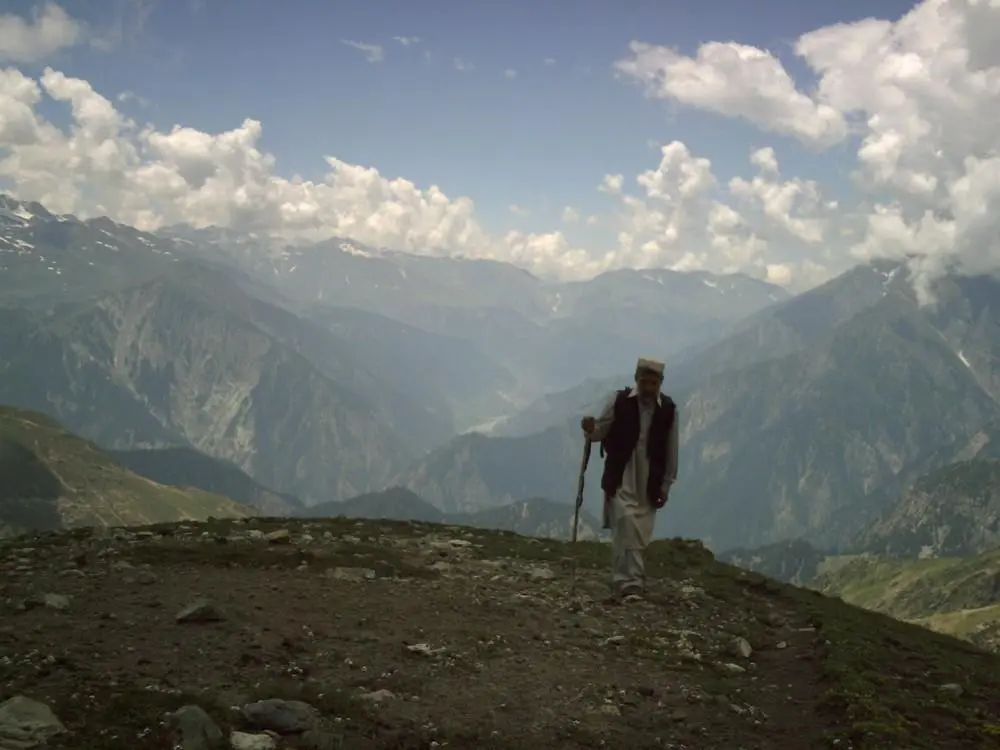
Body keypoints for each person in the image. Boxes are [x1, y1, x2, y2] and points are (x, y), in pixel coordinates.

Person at [580, 357, 678, 603]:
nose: (648, 387)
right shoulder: (618, 401)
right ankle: (631, 584)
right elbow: (600, 431)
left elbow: (672, 450)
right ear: (636, 379)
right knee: (625, 522)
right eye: (644, 381)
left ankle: (623, 579)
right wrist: (590, 429)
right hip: (622, 475)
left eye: (653, 383)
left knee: (636, 533)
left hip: (649, 480)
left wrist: (666, 484)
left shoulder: (668, 410)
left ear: (660, 383)